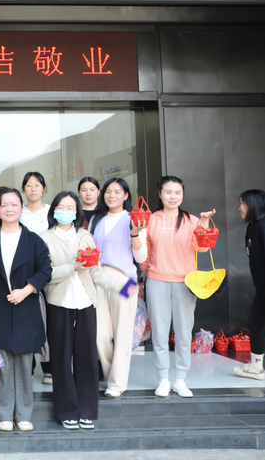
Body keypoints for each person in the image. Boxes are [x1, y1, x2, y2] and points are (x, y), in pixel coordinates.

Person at [40, 191, 135, 430]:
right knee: (61, 360)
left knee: (87, 358)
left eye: (70, 208)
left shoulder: (86, 237)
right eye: (61, 207)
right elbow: (45, 275)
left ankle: (87, 410)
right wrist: (72, 267)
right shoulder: (44, 238)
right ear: (53, 211)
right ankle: (67, 411)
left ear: (77, 212)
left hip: (86, 304)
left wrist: (124, 287)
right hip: (59, 304)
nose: (65, 211)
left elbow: (96, 272)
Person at [0, 188, 51, 433]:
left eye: (14, 204)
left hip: (26, 308)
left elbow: (45, 270)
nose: (9, 209)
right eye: (4, 204)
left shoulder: (34, 240)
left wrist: (26, 290)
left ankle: (24, 414)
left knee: (25, 364)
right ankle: (5, 414)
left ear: (21, 208)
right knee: (4, 365)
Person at [142, 175, 215, 398]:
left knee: (184, 331)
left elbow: (202, 248)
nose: (173, 197)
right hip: (156, 280)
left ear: (182, 195)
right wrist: (141, 281)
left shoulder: (192, 220)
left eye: (177, 192)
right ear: (160, 194)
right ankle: (163, 379)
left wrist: (204, 223)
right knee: (159, 332)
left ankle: (180, 379)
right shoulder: (151, 219)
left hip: (185, 282)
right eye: (168, 192)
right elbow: (145, 254)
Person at [88, 177, 147, 398]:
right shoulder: (96, 219)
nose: (111, 196)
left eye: (117, 192)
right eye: (108, 191)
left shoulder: (134, 219)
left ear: (126, 195)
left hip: (125, 282)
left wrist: (135, 234)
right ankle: (110, 374)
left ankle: (117, 383)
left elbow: (141, 257)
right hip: (98, 279)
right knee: (100, 334)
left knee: (123, 332)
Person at [19, 171, 52, 383]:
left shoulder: (52, 212)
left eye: (37, 185)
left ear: (44, 188)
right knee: (28, 319)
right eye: (29, 185)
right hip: (25, 274)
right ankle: (29, 365)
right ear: (23, 189)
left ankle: (49, 366)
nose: (33, 189)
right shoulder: (18, 212)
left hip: (49, 271)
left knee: (50, 320)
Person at [234, 189, 265, 380]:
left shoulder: (262, 227)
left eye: (242, 203)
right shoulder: (252, 227)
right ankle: (256, 367)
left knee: (256, 324)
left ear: (253, 205)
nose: (239, 208)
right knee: (255, 324)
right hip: (261, 289)